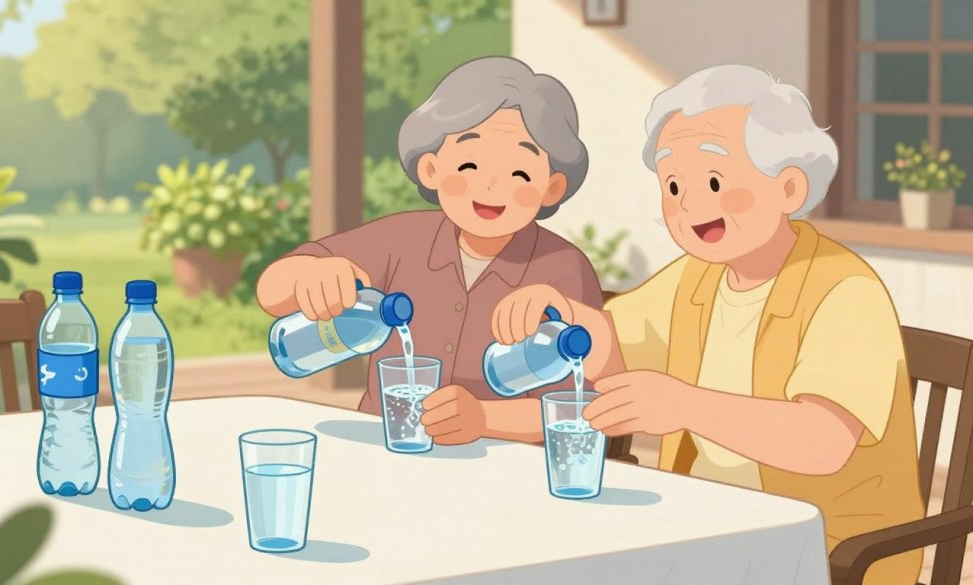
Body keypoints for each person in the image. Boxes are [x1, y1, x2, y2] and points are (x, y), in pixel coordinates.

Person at [492, 64, 923, 583]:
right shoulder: (697, 278)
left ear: (788, 187)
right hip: (708, 524)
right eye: (673, 185)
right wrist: (559, 313)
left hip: (821, 549)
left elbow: (824, 441)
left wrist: (682, 404)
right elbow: (614, 343)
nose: (688, 203)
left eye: (714, 180)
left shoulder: (844, 290)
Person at [257, 56, 602, 445]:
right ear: (431, 168)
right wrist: (309, 275)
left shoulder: (561, 268)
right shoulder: (403, 238)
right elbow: (271, 292)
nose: (491, 187)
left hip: (501, 471)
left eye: (519, 174)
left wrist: (484, 418)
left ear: (552, 188)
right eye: (470, 164)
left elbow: (581, 405)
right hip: (383, 451)